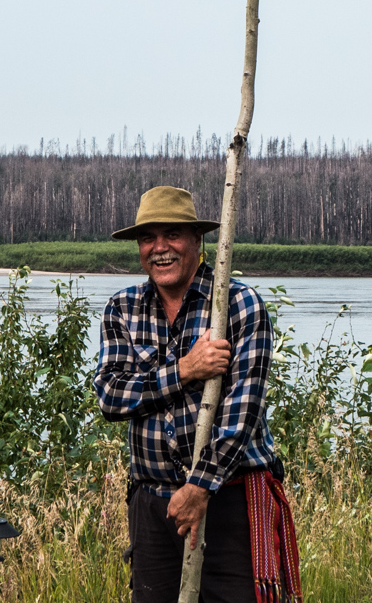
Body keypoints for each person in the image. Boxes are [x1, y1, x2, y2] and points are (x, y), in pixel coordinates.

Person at [94, 186, 300, 603]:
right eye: (148, 238)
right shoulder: (123, 308)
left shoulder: (238, 305)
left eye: (172, 235)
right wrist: (186, 370)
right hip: (152, 504)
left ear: (197, 241)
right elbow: (111, 396)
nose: (160, 249)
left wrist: (200, 487)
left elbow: (242, 413)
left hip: (229, 499)